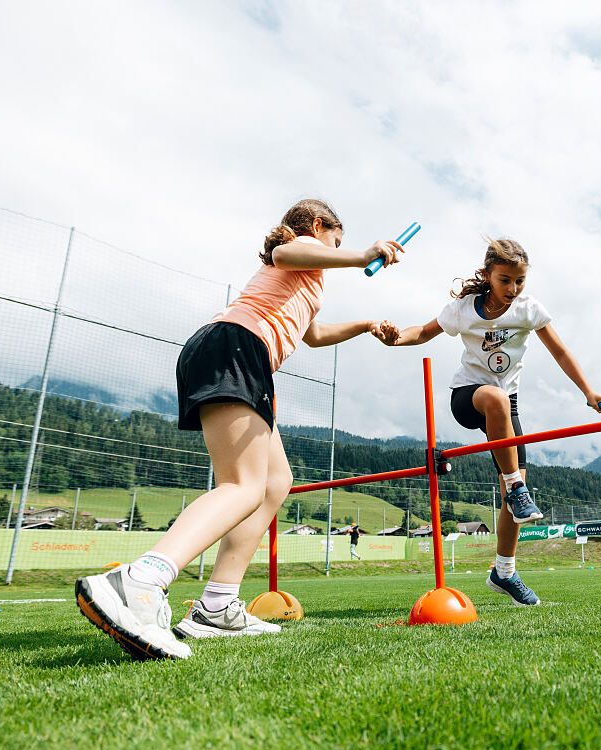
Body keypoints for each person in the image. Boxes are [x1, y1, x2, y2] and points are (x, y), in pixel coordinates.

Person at [75, 198, 403, 661]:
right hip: (235, 347)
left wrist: (366, 325)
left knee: (274, 482)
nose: (336, 249)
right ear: (316, 227)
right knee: (243, 485)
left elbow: (314, 334)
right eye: (336, 240)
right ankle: (141, 580)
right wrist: (362, 256)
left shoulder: (305, 282)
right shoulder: (296, 251)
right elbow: (291, 254)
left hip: (237, 354)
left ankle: (216, 606)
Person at [379, 237, 601, 606]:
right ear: (487, 275)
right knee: (497, 404)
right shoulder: (462, 309)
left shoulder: (528, 309)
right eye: (505, 280)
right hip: (470, 397)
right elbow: (421, 332)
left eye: (519, 281)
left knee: (512, 491)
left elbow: (560, 351)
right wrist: (394, 339)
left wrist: (589, 391)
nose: (512, 289)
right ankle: (516, 487)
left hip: (507, 407)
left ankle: (504, 572)